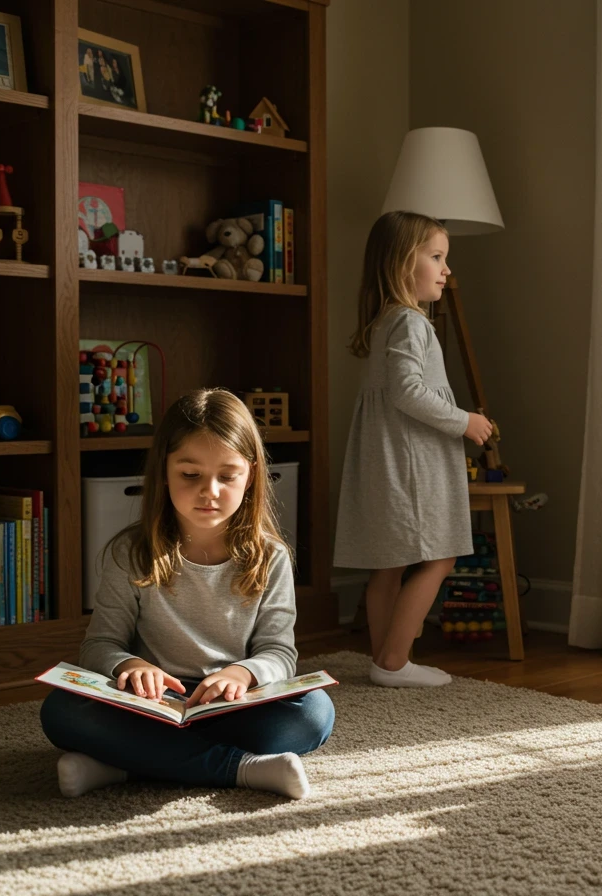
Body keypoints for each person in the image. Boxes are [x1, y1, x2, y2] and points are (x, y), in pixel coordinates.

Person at [40, 389, 334, 798]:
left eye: (227, 476)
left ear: (249, 475)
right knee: (61, 711)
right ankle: (241, 769)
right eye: (190, 475)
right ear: (164, 471)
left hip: (232, 705)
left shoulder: (271, 557)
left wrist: (242, 673)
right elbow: (100, 644)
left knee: (315, 713)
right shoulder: (131, 552)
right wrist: (129, 666)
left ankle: (120, 766)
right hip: (151, 706)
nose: (209, 491)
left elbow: (279, 653)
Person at [334, 211, 492, 688]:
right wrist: (465, 421)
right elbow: (407, 392)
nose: (446, 270)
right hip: (411, 465)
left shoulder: (387, 321)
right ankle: (395, 660)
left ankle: (386, 658)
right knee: (440, 557)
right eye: (437, 257)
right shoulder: (412, 323)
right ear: (405, 263)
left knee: (389, 563)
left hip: (386, 458)